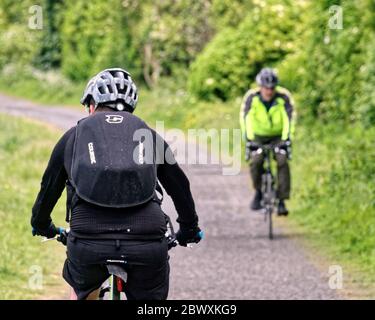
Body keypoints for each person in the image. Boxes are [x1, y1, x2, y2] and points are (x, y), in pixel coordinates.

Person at [31, 68, 202, 300]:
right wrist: (188, 229)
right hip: (146, 241)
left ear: (92, 104)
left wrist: (42, 225)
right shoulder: (149, 135)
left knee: (82, 290)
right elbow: (180, 187)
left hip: (88, 242)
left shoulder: (74, 136)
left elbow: (49, 187)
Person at [239, 68, 295, 216]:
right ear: (260, 86)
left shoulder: (284, 97)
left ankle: (281, 200)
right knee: (256, 161)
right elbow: (245, 119)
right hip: (257, 136)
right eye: (266, 88)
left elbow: (290, 119)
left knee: (282, 161)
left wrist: (287, 138)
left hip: (278, 136)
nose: (269, 91)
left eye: (271, 88)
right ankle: (258, 191)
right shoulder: (251, 97)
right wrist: (249, 139)